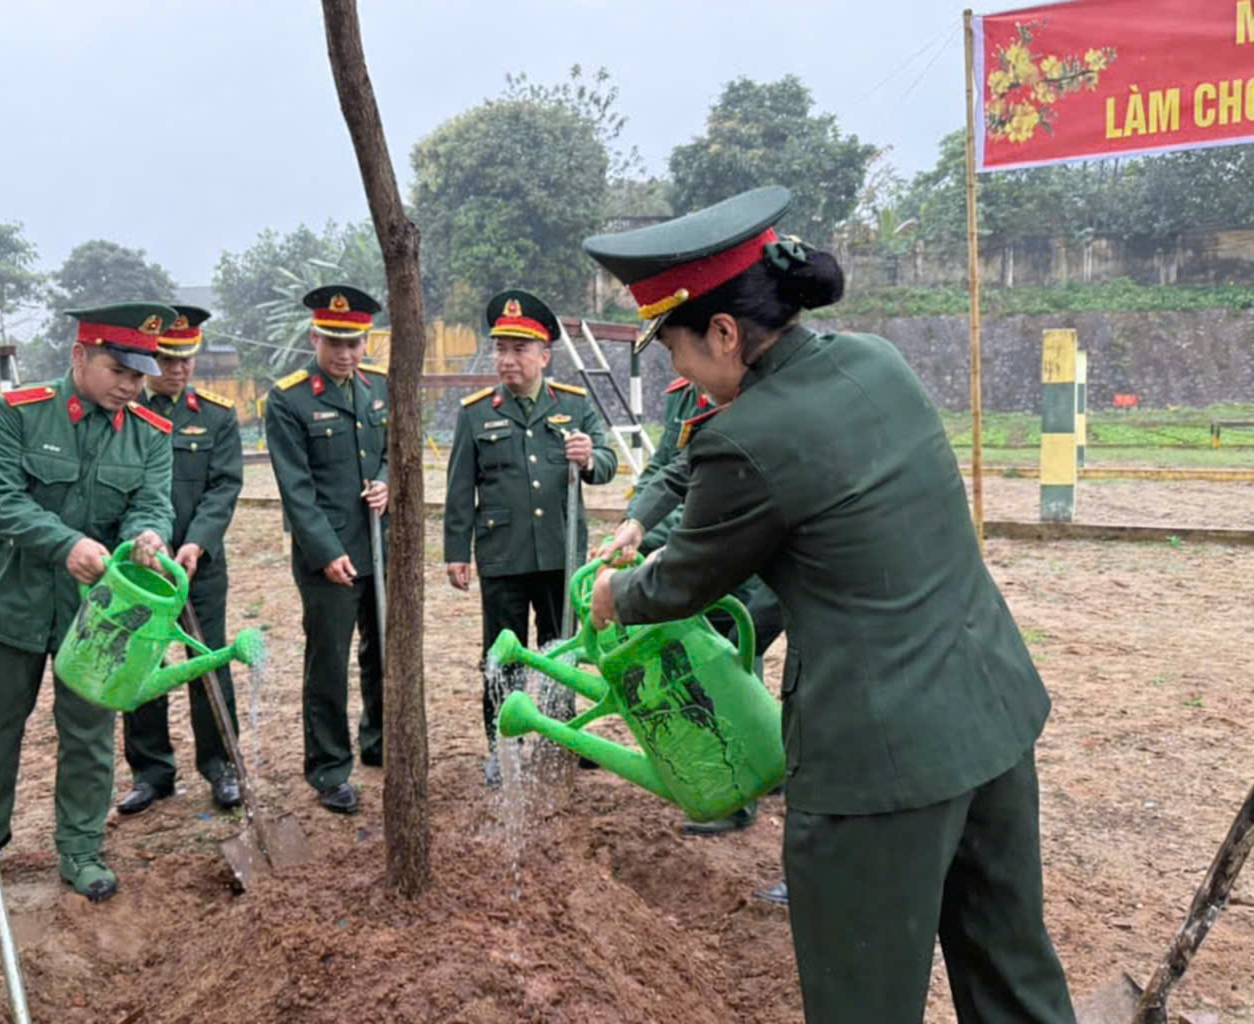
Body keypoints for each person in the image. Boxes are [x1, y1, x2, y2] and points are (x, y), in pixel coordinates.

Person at [584, 186, 1075, 1022]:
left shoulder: (746, 435)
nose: (674, 371)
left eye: (673, 348)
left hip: (878, 766)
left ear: (726, 333)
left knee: (861, 1000)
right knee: (1011, 976)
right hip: (990, 714)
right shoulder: (876, 359)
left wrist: (612, 594)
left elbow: (679, 585)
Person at [0, 301, 178, 903]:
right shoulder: (20, 414)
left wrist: (149, 535)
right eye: (119, 369)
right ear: (79, 357)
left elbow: (152, 503)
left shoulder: (150, 435)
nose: (131, 385)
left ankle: (81, 848)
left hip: (97, 617)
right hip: (9, 606)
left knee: (89, 734)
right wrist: (65, 544)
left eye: (140, 374)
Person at [442, 289, 616, 785]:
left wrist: (589, 458)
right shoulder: (476, 412)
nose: (507, 359)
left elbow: (605, 465)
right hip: (503, 555)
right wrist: (457, 552)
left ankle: (564, 734)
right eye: (501, 348)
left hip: (560, 552)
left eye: (519, 349)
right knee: (502, 653)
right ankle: (503, 743)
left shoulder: (575, 407)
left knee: (562, 649)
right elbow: (460, 488)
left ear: (544, 355)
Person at [625, 372, 785, 840]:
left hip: (735, 544)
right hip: (688, 544)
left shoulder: (755, 388)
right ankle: (741, 773)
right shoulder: (682, 395)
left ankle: (742, 793)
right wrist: (634, 522)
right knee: (696, 668)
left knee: (738, 662)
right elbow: (667, 465)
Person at [265, 285, 389, 814]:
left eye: (355, 343)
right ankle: (329, 767)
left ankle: (380, 741)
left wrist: (389, 483)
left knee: (383, 650)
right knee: (329, 661)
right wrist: (324, 551)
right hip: (329, 556)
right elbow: (295, 488)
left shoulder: (380, 387)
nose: (344, 354)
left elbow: (393, 451)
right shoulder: (289, 399)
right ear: (314, 337)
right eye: (334, 342)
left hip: (380, 547)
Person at [117, 304, 246, 814]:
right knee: (140, 661)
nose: (178, 369)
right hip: (142, 567)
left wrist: (197, 542)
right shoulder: (124, 415)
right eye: (168, 359)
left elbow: (224, 487)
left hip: (200, 564)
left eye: (186, 359)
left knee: (208, 659)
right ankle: (151, 772)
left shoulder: (215, 415)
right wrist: (146, 545)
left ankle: (221, 766)